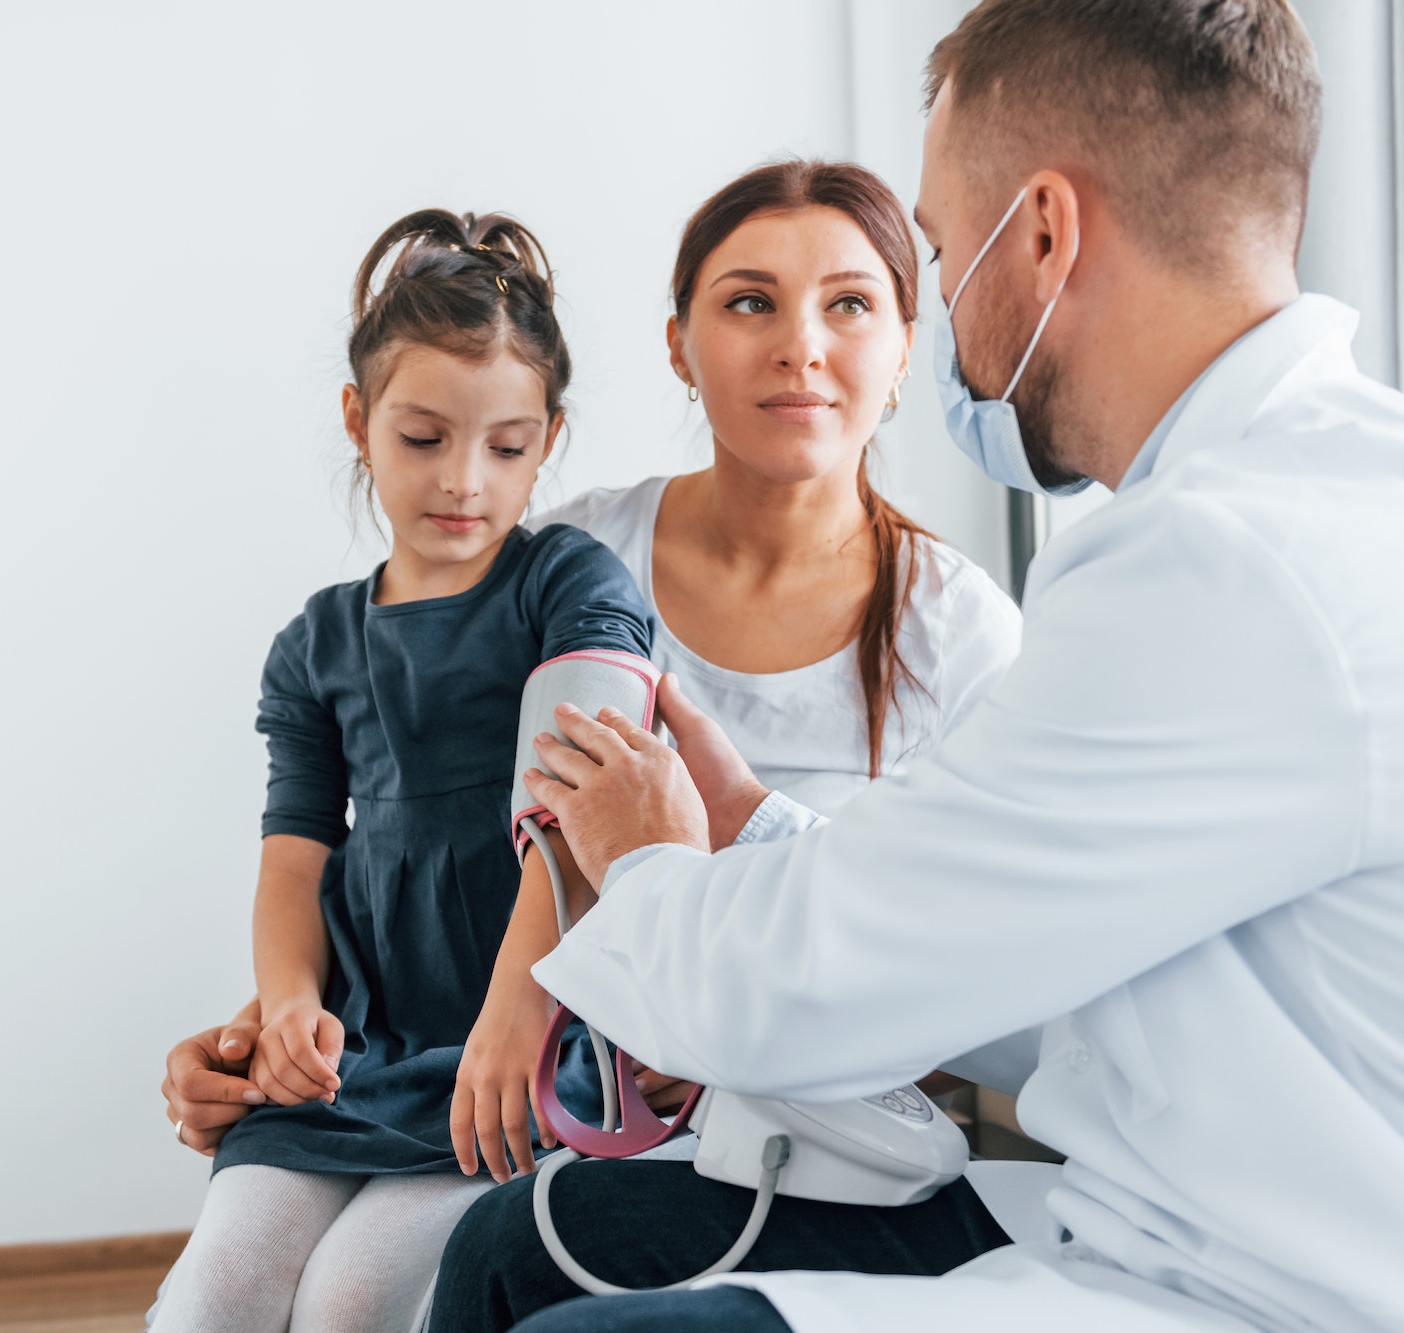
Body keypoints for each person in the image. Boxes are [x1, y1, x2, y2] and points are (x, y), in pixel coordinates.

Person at [432, 3, 1404, 1331]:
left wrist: (649, 854)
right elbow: (1037, 959)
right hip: (1230, 1213)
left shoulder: (1231, 561)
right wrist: (756, 828)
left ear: (1044, 234)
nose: (943, 303)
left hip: (1369, 1287)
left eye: (945, 254)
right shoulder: (1328, 491)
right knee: (519, 1249)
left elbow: (797, 995)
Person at [158, 161, 1026, 1324]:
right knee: (240, 1280)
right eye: (749, 301)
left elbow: (982, 965)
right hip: (524, 1061)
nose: (800, 347)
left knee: (373, 1288)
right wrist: (273, 1016)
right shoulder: (554, 552)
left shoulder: (961, 631)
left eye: (851, 303)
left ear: (907, 340)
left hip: (774, 1118)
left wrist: (718, 1031)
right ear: (677, 343)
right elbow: (407, 835)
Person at [143, 208, 662, 1333]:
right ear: (358, 420)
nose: (464, 481)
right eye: (423, 438)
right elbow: (293, 860)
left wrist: (519, 1017)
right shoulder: (316, 644)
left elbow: (571, 807)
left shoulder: (569, 588)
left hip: (524, 1041)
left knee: (352, 1304)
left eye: (507, 447)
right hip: (360, 1051)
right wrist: (287, 1010)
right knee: (215, 1299)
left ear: (549, 439)